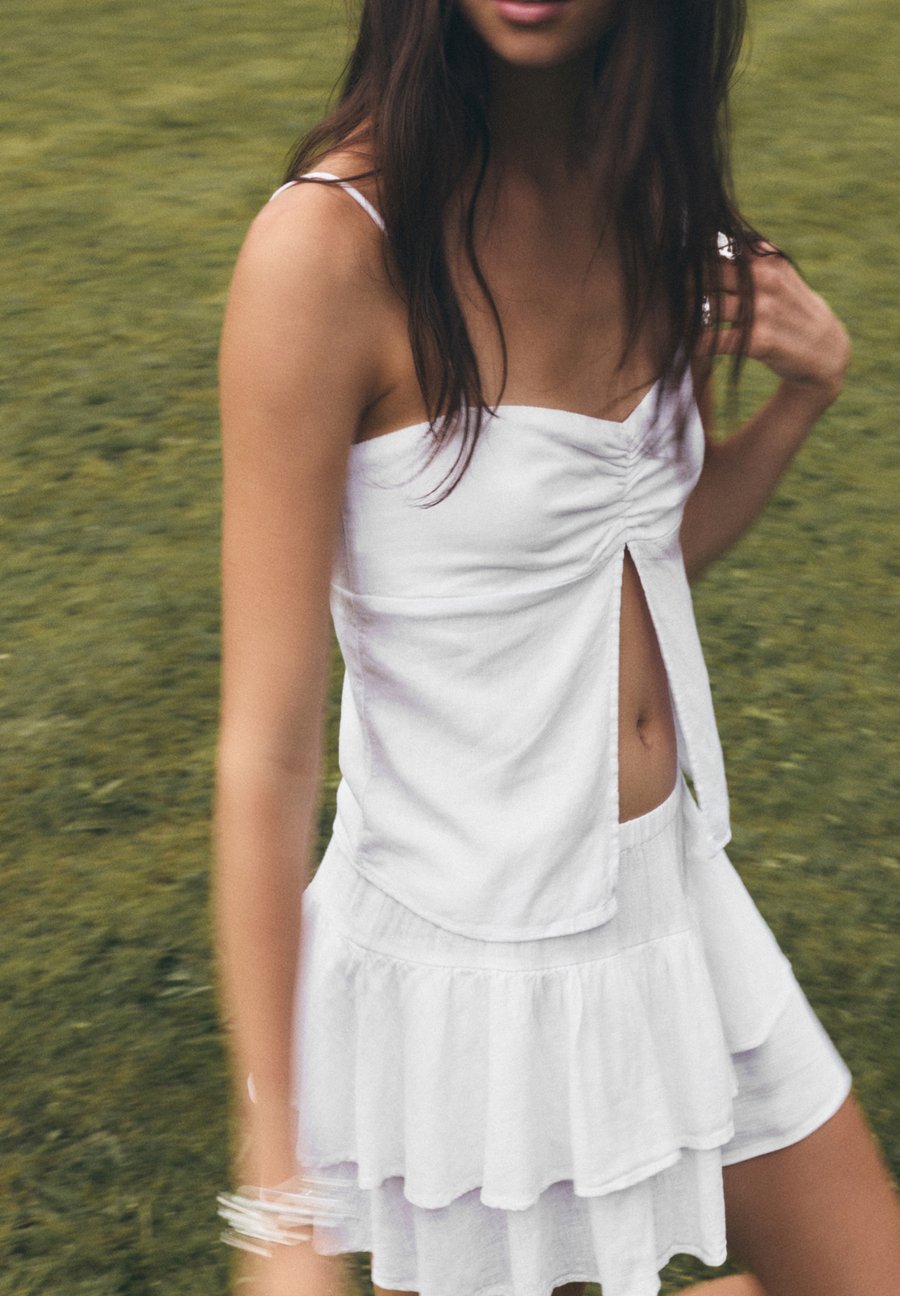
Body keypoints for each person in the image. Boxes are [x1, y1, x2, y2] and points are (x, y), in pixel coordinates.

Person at [211, 2, 900, 1294]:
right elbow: (266, 753)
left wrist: (804, 398)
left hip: (674, 901)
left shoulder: (643, 195)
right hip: (464, 961)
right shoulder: (327, 252)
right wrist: (281, 1187)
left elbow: (623, 555)